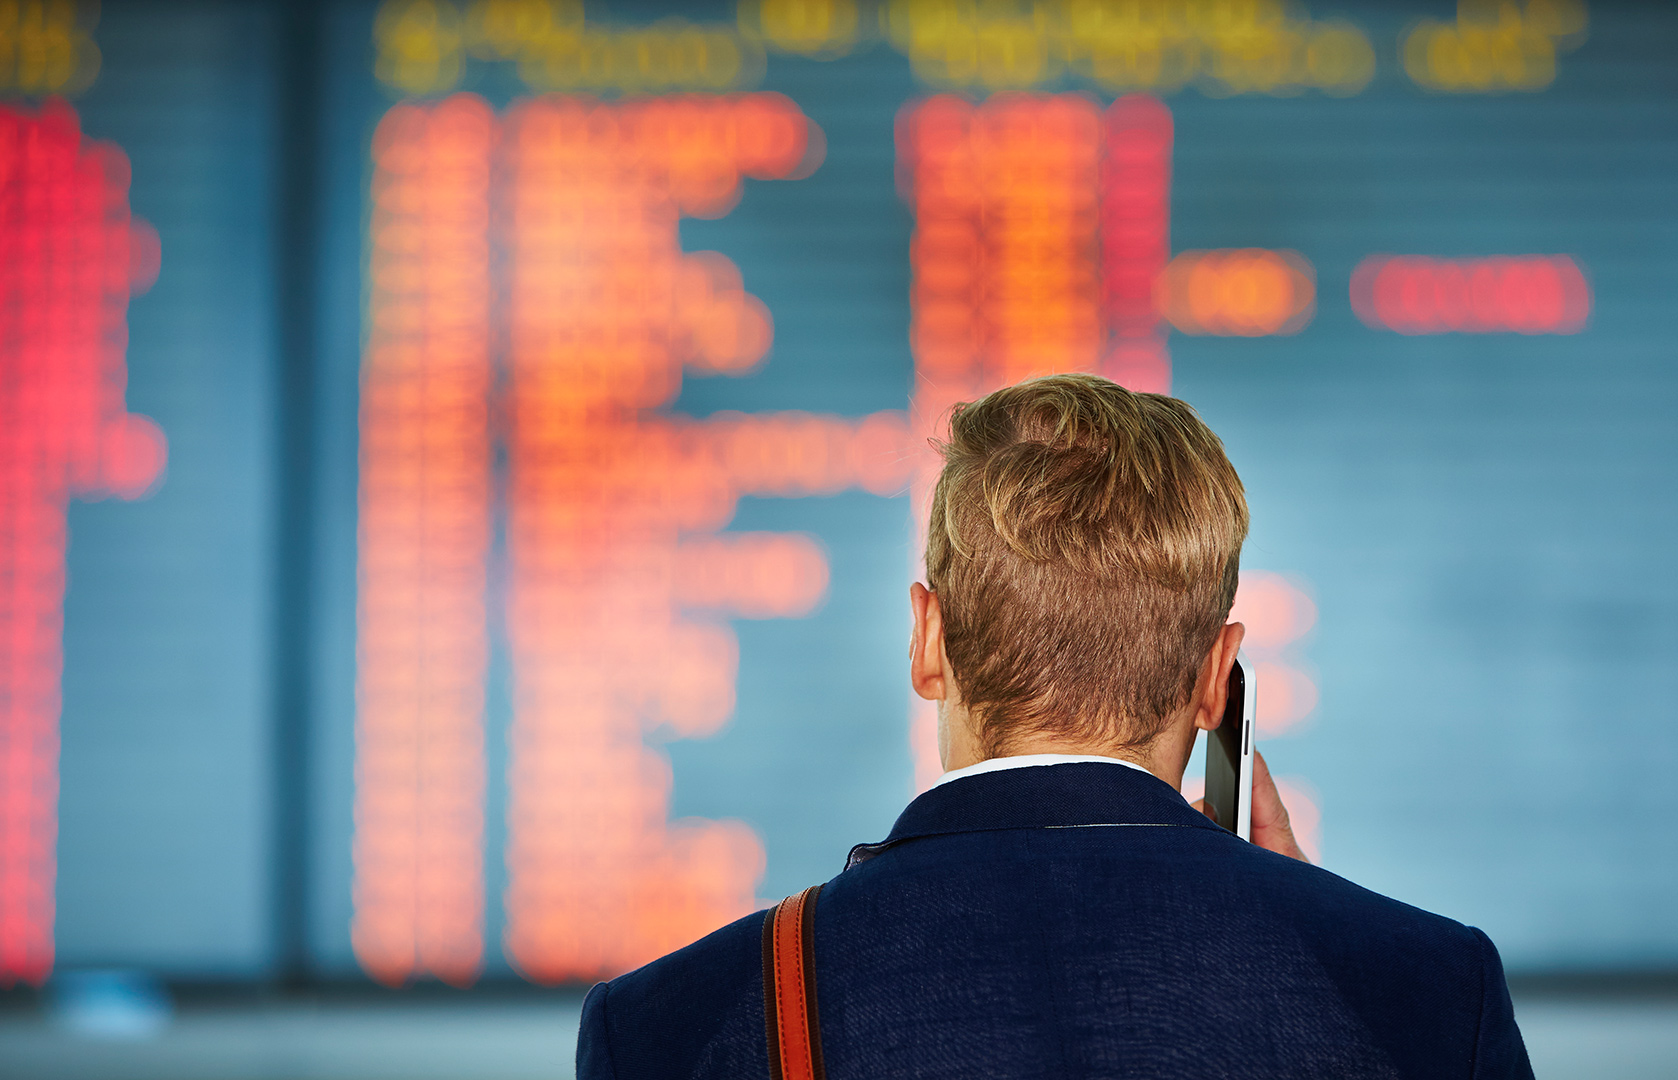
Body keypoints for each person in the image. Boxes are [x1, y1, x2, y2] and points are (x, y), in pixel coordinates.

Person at [576, 373, 1534, 1080]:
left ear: (927, 639)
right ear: (1216, 678)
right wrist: (1321, 962)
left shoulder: (674, 1025)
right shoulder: (1432, 994)